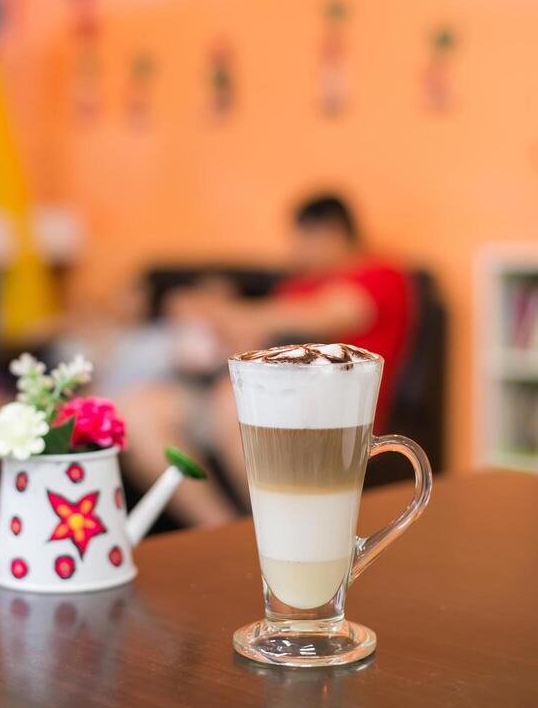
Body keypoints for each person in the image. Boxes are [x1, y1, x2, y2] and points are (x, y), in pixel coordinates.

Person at [119, 193, 415, 526]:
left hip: (328, 411)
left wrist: (228, 312)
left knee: (235, 402)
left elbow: (323, 316)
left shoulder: (379, 274)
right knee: (137, 410)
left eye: (304, 238)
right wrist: (210, 318)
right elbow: (253, 341)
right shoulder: (298, 285)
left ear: (331, 232)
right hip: (237, 388)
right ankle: (220, 529)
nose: (297, 249)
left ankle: (278, 534)